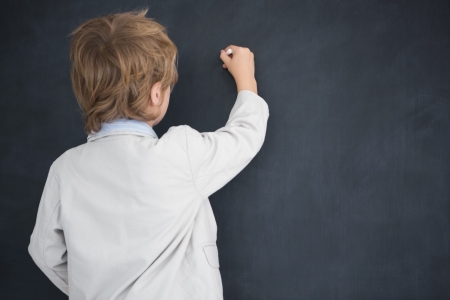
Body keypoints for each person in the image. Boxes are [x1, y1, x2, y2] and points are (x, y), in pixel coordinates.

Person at [28, 8, 269, 300]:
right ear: (157, 94)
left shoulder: (64, 170)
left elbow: (45, 253)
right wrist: (246, 80)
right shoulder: (181, 153)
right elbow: (245, 135)